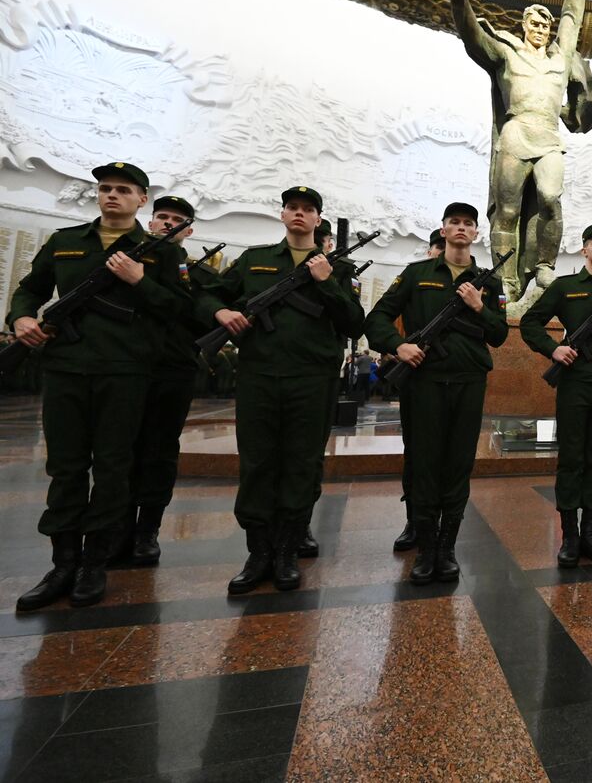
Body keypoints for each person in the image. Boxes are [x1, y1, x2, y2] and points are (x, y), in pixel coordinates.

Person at [9, 163, 190, 610]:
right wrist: (22, 318)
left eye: (123, 190)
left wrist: (140, 280)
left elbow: (180, 310)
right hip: (66, 368)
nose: (112, 195)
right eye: (106, 188)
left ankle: (95, 563)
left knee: (112, 468)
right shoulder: (65, 241)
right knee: (66, 467)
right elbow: (29, 290)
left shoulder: (161, 253)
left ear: (141, 200)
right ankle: (62, 563)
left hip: (125, 371)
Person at [429, 0, 592, 301]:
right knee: (509, 210)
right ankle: (506, 278)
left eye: (546, 24)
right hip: (516, 134)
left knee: (549, 198)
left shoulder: (561, 58)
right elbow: (470, 33)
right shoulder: (507, 52)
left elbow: (572, 17)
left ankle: (544, 265)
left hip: (547, 136)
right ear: (524, 27)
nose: (542, 27)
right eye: (535, 22)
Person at [199, 186, 364, 594]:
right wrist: (221, 311)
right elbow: (207, 295)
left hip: (312, 380)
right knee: (257, 462)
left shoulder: (337, 268)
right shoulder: (254, 259)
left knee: (301, 463)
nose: (300, 214)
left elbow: (353, 324)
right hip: (260, 375)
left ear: (319, 220)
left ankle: (288, 550)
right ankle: (258, 552)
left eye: (308, 210)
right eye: (293, 208)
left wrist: (325, 283)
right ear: (283, 214)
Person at [364, 202, 507, 583]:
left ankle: (447, 547)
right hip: (424, 381)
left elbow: (499, 334)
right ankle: (426, 548)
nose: (461, 228)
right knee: (425, 461)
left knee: (458, 463)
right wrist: (398, 346)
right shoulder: (416, 274)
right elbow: (376, 317)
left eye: (468, 224)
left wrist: (479, 307)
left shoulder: (489, 283)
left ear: (476, 233)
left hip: (469, 381)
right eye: (454, 222)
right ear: (443, 231)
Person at [520, 224, 592, 567]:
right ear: (584, 250)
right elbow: (530, 322)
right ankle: (570, 535)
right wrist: (553, 350)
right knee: (572, 457)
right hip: (575, 383)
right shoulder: (566, 286)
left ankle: (591, 533)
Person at [122, 195, 220, 565]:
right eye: (161, 216)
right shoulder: (124, 261)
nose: (167, 223)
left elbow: (199, 317)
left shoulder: (200, 275)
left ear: (189, 230)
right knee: (119, 450)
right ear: (149, 222)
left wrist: (144, 285)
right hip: (126, 364)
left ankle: (147, 530)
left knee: (160, 451)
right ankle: (115, 529)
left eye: (177, 220)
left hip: (173, 368)